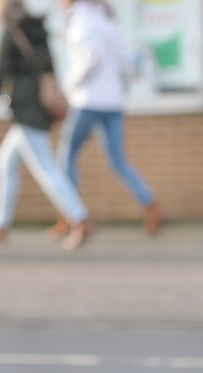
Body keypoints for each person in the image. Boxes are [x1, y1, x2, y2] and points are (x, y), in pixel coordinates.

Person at [0, 0, 93, 250]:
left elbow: (0, 74)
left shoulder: (13, 32)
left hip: (26, 111)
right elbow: (50, 68)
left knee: (47, 170)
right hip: (39, 108)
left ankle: (80, 218)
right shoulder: (38, 30)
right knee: (5, 164)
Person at [55, 0, 162, 236]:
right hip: (113, 101)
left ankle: (71, 215)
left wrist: (69, 84)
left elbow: (92, 57)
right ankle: (150, 205)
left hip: (88, 101)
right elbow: (126, 59)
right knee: (118, 161)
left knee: (67, 155)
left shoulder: (83, 20)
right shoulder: (108, 19)